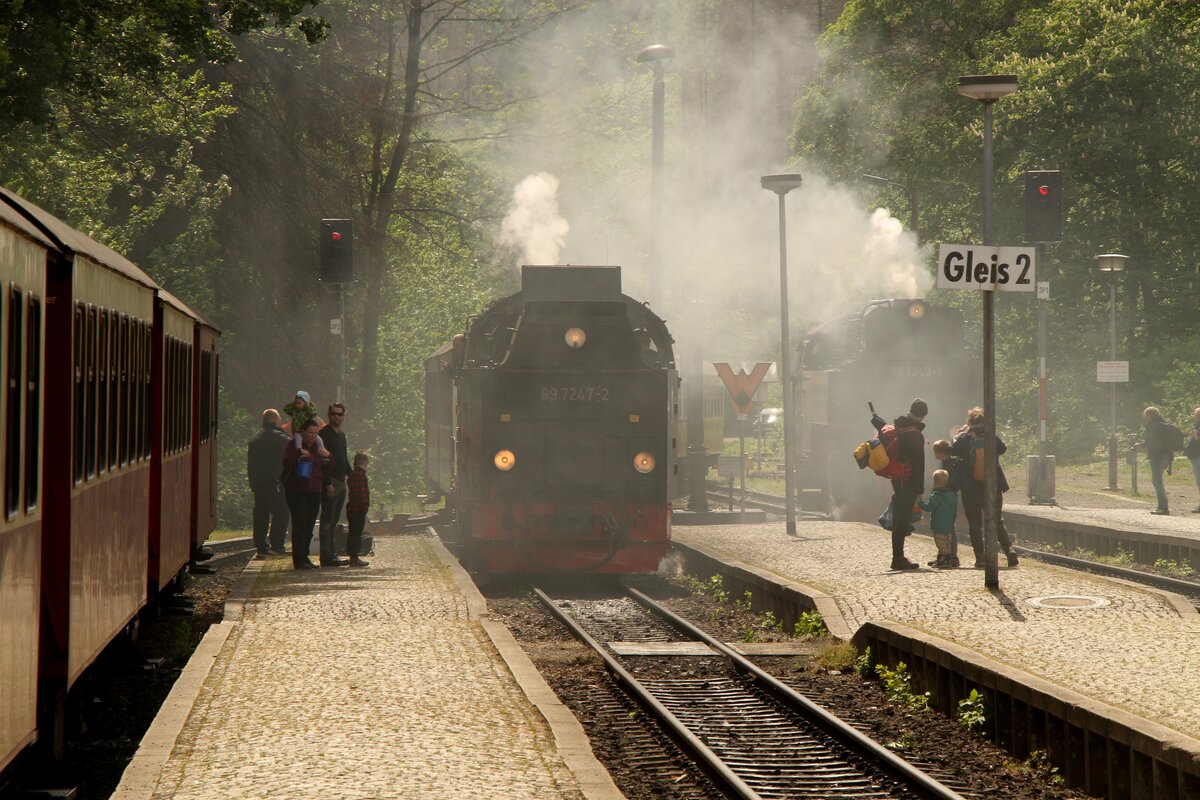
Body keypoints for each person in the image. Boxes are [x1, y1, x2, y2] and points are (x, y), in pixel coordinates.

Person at [951, 407, 1019, 567]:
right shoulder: (991, 436)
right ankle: (1009, 550)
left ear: (970, 422)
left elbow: (952, 448)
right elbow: (1003, 449)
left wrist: (961, 432)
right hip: (992, 487)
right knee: (996, 520)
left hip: (970, 488)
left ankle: (980, 558)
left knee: (974, 524)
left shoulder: (965, 437)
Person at [282, 419, 329, 570]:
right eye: (310, 432)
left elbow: (329, 464)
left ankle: (305, 557)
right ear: (303, 432)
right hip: (297, 490)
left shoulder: (317, 446)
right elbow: (287, 460)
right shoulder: (294, 445)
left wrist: (328, 456)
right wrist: (299, 455)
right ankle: (299, 559)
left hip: (315, 490)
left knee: (309, 525)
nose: (313, 436)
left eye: (316, 433)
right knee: (300, 523)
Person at [888, 398, 928, 571]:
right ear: (923, 415)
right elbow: (919, 463)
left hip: (898, 477)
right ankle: (898, 558)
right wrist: (920, 488)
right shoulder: (914, 434)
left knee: (900, 518)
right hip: (908, 480)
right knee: (902, 519)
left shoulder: (900, 427)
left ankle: (898, 556)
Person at [246, 408, 291, 557]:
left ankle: (261, 546)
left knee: (261, 513)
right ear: (276, 420)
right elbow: (292, 447)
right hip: (273, 482)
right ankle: (277, 544)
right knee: (281, 511)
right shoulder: (277, 436)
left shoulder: (255, 437)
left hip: (257, 483)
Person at [318, 402, 351, 567]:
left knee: (335, 519)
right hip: (330, 482)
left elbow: (343, 459)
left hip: (341, 481)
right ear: (328, 415)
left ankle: (332, 553)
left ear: (344, 416)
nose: (336, 417)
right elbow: (320, 462)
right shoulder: (324, 434)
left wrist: (353, 477)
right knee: (327, 519)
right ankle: (326, 556)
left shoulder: (341, 435)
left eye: (339, 414)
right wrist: (327, 483)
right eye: (333, 414)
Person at [930, 439, 963, 567]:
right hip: (948, 496)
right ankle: (944, 555)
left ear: (939, 452)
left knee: (948, 528)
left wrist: (941, 490)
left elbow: (950, 482)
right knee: (946, 528)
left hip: (947, 497)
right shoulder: (946, 463)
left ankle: (951, 556)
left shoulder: (950, 465)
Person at [918, 469, 958, 568]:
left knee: (941, 544)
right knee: (947, 543)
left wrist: (920, 502)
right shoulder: (952, 495)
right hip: (948, 524)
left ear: (935, 482)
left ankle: (943, 560)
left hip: (938, 525)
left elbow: (929, 507)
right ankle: (948, 559)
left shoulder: (936, 496)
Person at [1141, 406, 1173, 515]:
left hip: (1157, 457)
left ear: (1149, 415)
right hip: (1166, 456)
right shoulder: (1163, 425)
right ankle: (1163, 506)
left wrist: (1142, 445)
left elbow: (1153, 442)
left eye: (1146, 416)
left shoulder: (1153, 426)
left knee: (1157, 481)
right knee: (1157, 480)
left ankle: (1163, 507)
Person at [283, 391, 331, 459]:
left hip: (307, 429)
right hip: (297, 430)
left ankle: (321, 449)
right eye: (296, 403)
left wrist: (308, 405)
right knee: (298, 440)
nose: (297, 405)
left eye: (299, 403)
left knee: (318, 439)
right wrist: (292, 404)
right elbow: (285, 409)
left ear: (305, 403)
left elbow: (313, 413)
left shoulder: (308, 410)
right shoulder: (294, 410)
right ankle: (299, 451)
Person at [345, 451, 371, 567]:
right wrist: (364, 507)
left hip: (354, 509)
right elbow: (360, 494)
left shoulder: (354, 475)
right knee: (356, 533)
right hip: (357, 509)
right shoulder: (359, 476)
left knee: (354, 532)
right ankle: (354, 557)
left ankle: (353, 556)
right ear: (365, 463)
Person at [1187, 407, 1200, 513]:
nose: (1194, 417)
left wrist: (1195, 437)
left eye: (1195, 414)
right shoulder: (1196, 426)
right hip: (1195, 457)